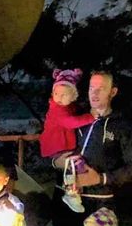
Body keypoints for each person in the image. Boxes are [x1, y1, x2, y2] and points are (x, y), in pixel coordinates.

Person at [51, 71, 132, 226]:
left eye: (101, 89)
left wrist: (101, 178)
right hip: (65, 197)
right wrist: (57, 161)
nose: (95, 93)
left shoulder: (121, 126)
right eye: (92, 87)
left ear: (112, 92)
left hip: (100, 201)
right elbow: (52, 146)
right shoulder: (74, 118)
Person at [39, 68, 95, 212]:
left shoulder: (68, 107)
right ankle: (71, 194)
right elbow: (70, 122)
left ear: (73, 96)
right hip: (56, 146)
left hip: (61, 145)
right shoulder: (57, 109)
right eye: (56, 93)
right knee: (74, 167)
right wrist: (90, 117)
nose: (59, 97)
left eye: (64, 95)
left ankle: (74, 193)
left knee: (76, 166)